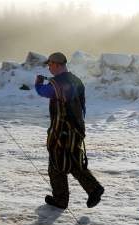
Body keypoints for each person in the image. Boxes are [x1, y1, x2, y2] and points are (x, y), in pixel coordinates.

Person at [35, 52, 104, 209]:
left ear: (58, 64)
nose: (49, 67)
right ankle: (90, 190)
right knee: (71, 160)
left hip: (63, 130)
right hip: (76, 128)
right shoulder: (75, 80)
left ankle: (65, 198)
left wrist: (38, 83)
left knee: (57, 163)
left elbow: (44, 92)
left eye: (50, 64)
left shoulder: (59, 84)